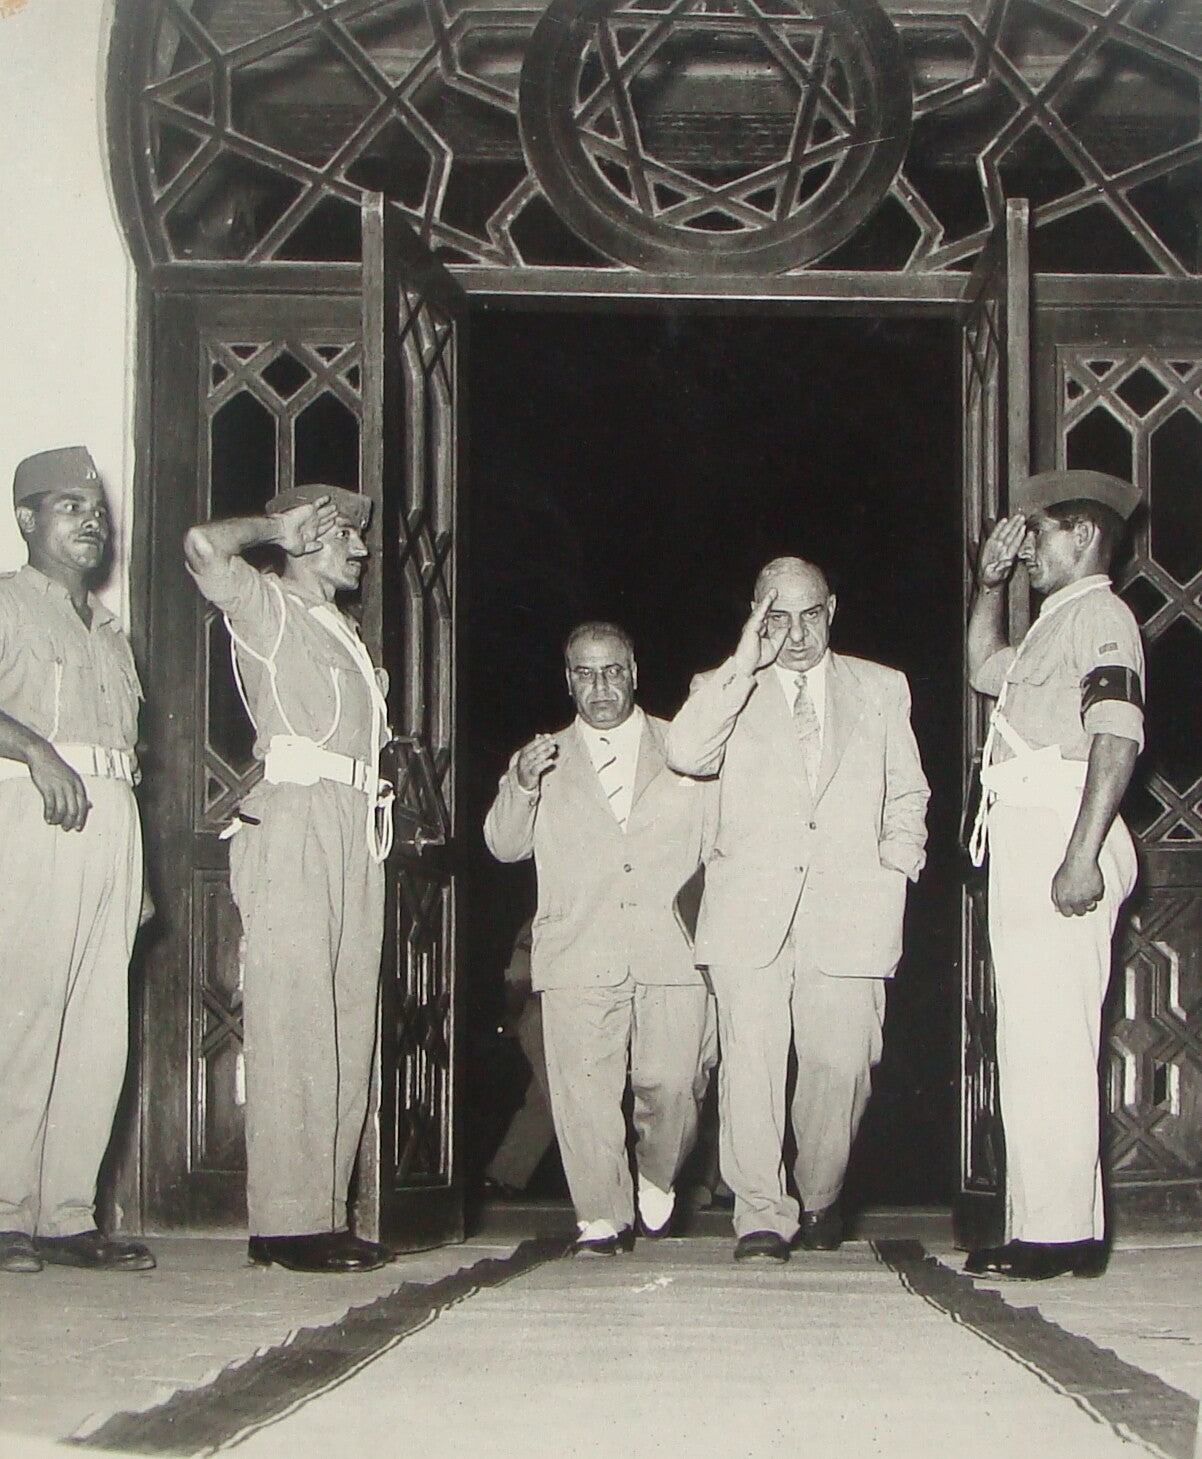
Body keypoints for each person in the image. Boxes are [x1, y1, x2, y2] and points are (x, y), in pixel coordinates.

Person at [667, 556, 929, 1262]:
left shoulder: (880, 688)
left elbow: (908, 791)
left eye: (810, 614)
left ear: (833, 609)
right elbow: (685, 751)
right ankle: (759, 1212)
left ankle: (819, 1194)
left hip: (852, 910)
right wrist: (742, 660)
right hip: (748, 912)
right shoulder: (723, 689)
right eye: (777, 616)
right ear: (756, 616)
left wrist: (897, 865)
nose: (798, 632)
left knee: (842, 1065)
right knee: (749, 1064)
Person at [184, 484, 394, 1275]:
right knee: (296, 1016)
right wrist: (272, 529)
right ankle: (285, 1220)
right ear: (306, 532)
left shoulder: (342, 630)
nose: (362, 552)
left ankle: (321, 1213)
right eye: (344, 535)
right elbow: (204, 547)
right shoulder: (268, 608)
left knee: (345, 1020)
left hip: (352, 823)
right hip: (297, 819)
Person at [964, 469, 1144, 1282]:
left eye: (1036, 535)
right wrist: (989, 583)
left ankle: (1060, 1232)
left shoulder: (1101, 615)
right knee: (1030, 1040)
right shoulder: (1052, 623)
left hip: (1066, 825)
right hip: (1030, 826)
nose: (1027, 549)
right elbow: (982, 669)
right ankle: (1049, 1225)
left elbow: (1116, 738)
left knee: (1053, 1040)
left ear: (1083, 537)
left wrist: (1080, 855)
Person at [484, 622, 715, 1255]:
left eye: (612, 671)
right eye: (584, 674)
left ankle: (658, 1178)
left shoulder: (686, 746)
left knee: (673, 1085)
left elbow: (726, 842)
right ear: (568, 680)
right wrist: (522, 785)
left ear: (635, 671)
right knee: (583, 1095)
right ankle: (601, 1217)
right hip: (577, 952)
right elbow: (503, 845)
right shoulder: (542, 757)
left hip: (672, 952)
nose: (601, 686)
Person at [0, 446, 155, 1274]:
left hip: (112, 822)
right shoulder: (7, 604)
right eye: (68, 507)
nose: (90, 521)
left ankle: (65, 1213)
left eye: (96, 510)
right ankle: (3, 1211)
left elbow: (123, 749)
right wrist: (32, 751)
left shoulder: (109, 632)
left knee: (99, 1026)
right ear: (27, 519)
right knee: (22, 1011)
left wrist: (139, 878)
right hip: (34, 816)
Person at [482, 917, 557, 1198]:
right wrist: (514, 1016)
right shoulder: (538, 921)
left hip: (559, 1016)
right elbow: (517, 979)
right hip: (543, 1015)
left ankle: (505, 1174)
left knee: (542, 1099)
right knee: (564, 1100)